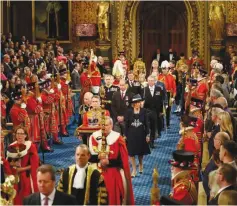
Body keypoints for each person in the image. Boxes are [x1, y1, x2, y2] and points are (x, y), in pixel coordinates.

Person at [89, 117, 135, 205]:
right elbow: (90, 157)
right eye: (102, 125)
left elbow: (122, 161)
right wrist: (98, 157)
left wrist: (109, 162)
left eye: (106, 125)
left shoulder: (118, 138)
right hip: (96, 169)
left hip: (113, 169)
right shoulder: (94, 137)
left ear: (111, 125)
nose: (104, 127)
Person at [7, 126, 39, 205]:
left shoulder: (30, 146)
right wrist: (13, 164)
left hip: (26, 175)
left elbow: (35, 164)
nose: (19, 135)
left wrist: (21, 169)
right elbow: (8, 163)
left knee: (25, 196)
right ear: (15, 135)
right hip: (14, 175)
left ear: (25, 135)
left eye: (22, 133)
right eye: (18, 133)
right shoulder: (11, 147)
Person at [125, 94, 150, 177]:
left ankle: (141, 164)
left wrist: (147, 135)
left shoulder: (144, 111)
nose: (138, 104)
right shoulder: (129, 111)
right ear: (133, 103)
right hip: (131, 134)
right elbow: (127, 124)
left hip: (141, 134)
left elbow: (147, 124)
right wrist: (125, 135)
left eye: (139, 102)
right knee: (131, 153)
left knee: (140, 153)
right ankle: (134, 170)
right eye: (136, 102)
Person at [143, 75, 164, 148]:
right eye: (149, 80)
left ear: (154, 81)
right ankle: (145, 141)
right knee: (146, 126)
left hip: (155, 111)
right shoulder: (144, 89)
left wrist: (161, 111)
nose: (151, 82)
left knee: (153, 127)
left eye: (152, 80)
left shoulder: (159, 89)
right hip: (146, 111)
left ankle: (152, 142)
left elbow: (161, 101)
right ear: (147, 81)